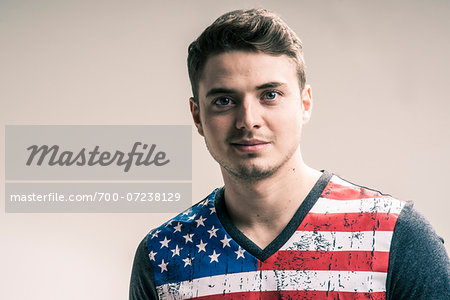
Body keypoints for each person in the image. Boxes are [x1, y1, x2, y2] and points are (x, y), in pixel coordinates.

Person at [130, 8, 449, 299]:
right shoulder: (162, 255)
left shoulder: (393, 235)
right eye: (224, 101)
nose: (248, 120)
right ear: (197, 116)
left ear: (304, 103)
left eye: (270, 95)